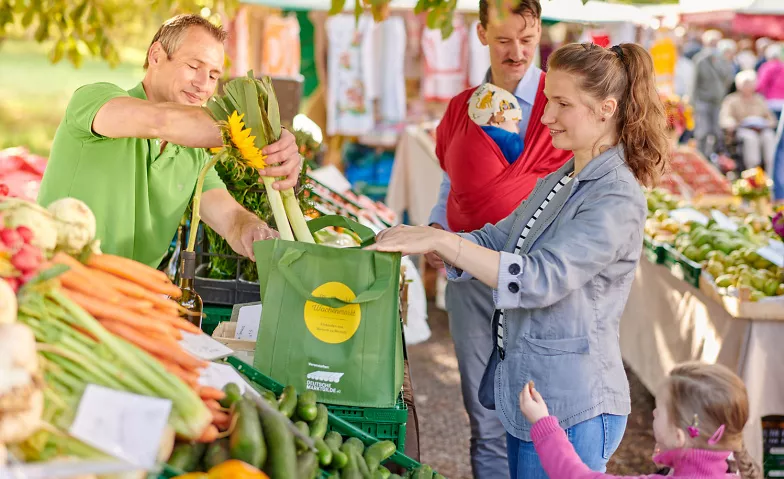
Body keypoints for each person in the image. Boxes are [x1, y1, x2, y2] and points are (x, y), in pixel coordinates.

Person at [369, 42, 669, 479]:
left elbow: (540, 278)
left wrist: (450, 246)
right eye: (549, 100)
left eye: (562, 104)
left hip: (574, 405)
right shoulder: (563, 176)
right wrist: (434, 239)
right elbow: (500, 237)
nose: (545, 116)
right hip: (534, 394)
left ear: (606, 108)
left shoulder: (617, 194)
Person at [424, 1, 572, 476]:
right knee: (483, 415)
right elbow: (452, 184)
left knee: (540, 413)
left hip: (537, 284)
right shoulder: (461, 109)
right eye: (505, 39)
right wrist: (436, 230)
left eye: (528, 40)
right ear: (482, 33)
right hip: (469, 276)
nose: (518, 52)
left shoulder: (564, 104)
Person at [37, 14, 303, 268]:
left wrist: (251, 229)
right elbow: (160, 121)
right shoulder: (95, 101)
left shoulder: (194, 153)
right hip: (56, 283)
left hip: (132, 299)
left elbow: (231, 219)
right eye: (193, 66)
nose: (203, 84)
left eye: (213, 75)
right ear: (156, 56)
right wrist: (263, 134)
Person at [520, 362, 761, 479]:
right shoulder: (728, 463)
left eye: (659, 409)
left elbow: (575, 475)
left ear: (679, 436)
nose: (653, 413)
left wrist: (543, 424)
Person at [720, 70, 777, 173]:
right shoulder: (731, 100)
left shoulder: (759, 99)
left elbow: (771, 118)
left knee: (768, 136)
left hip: (761, 130)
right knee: (751, 138)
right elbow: (725, 118)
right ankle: (752, 171)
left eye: (750, 84)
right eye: (745, 84)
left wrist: (767, 123)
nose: (748, 87)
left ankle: (770, 172)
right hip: (743, 130)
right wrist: (732, 123)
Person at [692, 30, 735, 158]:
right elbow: (694, 82)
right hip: (703, 100)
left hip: (718, 100)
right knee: (703, 130)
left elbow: (728, 78)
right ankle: (700, 155)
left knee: (717, 131)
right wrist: (693, 102)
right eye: (711, 42)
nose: (714, 45)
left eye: (716, 42)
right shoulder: (700, 59)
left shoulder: (723, 59)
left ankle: (713, 156)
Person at [469, 83, 525, 163]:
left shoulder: (469, 137)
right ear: (495, 121)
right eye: (515, 124)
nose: (518, 129)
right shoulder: (510, 141)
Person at [756, 43, 784, 120]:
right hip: (782, 101)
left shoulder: (767, 67)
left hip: (771, 101)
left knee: (773, 124)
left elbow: (761, 84)